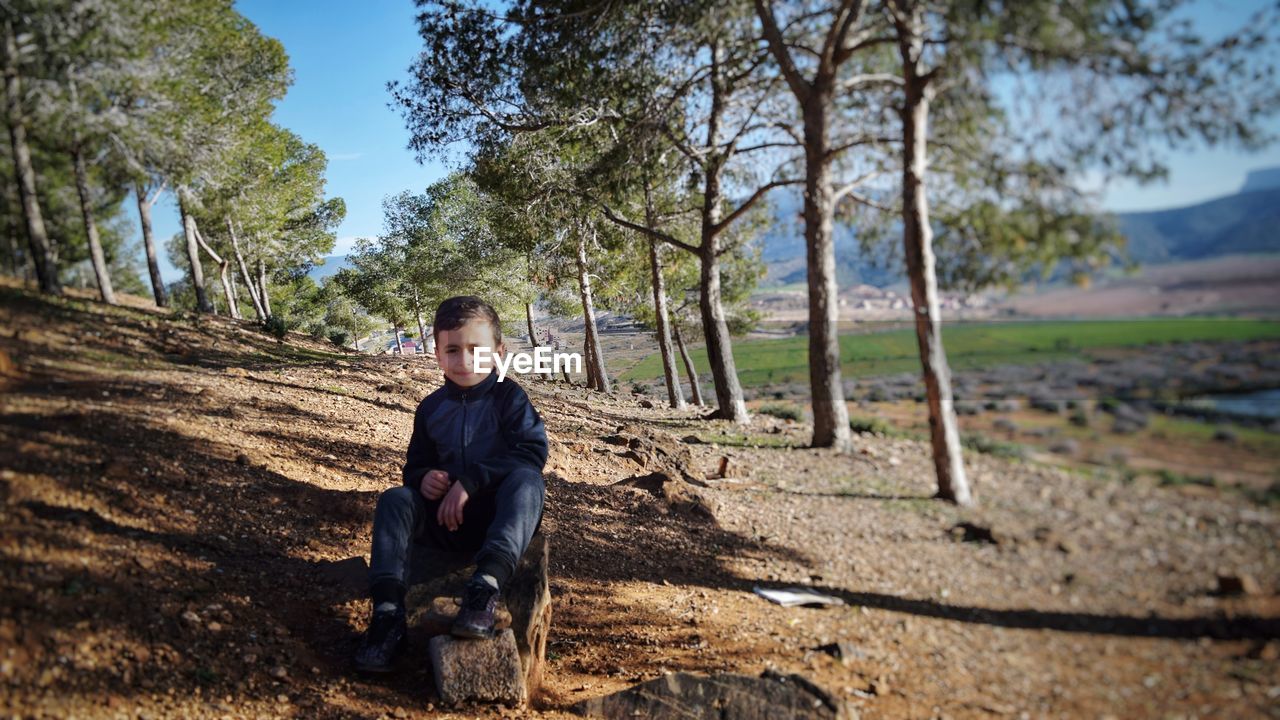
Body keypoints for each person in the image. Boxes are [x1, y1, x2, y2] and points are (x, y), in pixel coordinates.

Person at [354, 296, 548, 673]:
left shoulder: (509, 398)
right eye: (453, 350)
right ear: (439, 355)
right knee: (395, 499)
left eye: (477, 349)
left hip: (497, 520)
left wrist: (470, 483)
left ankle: (485, 589)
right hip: (444, 523)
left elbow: (531, 452)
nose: (465, 361)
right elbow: (414, 466)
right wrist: (423, 478)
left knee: (528, 481)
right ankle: (388, 614)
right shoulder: (430, 408)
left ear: (499, 352)